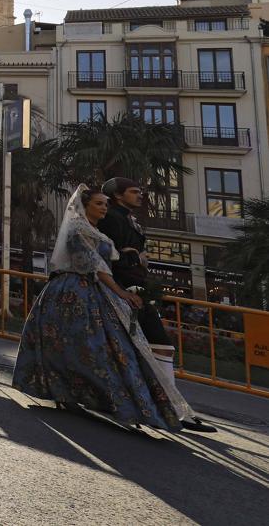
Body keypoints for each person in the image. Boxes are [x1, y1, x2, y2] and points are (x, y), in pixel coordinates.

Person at [13, 187, 205, 432]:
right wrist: (122, 292)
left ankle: (115, 400)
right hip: (73, 291)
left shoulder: (98, 233)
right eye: (98, 204)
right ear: (85, 206)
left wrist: (131, 255)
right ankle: (79, 394)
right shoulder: (77, 229)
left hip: (94, 292)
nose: (104, 208)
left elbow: (111, 260)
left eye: (105, 204)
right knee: (79, 346)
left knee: (101, 348)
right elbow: (97, 267)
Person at [96, 177, 216, 433]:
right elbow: (106, 255)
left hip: (136, 287)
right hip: (126, 289)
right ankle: (170, 407)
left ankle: (169, 406)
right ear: (118, 195)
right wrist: (133, 259)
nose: (140, 196)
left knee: (154, 347)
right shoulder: (112, 218)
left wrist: (138, 259)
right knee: (159, 346)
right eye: (134, 192)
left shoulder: (127, 218)